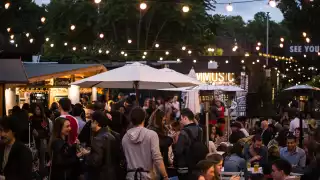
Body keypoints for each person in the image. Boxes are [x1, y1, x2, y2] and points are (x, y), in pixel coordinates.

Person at [122, 107, 168, 180]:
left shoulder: (125, 137)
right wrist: (165, 176)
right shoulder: (151, 135)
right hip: (148, 176)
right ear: (144, 118)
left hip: (131, 176)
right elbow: (157, 157)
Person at [174, 108, 208, 179]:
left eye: (181, 119)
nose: (180, 121)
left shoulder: (183, 132)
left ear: (185, 118)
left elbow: (178, 151)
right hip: (198, 164)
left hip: (184, 167)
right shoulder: (200, 130)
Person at [84, 111, 120, 180]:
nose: (90, 124)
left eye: (92, 121)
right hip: (112, 174)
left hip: (100, 175)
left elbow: (95, 161)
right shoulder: (114, 135)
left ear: (96, 122)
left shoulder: (98, 139)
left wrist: (87, 155)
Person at [0, 116, 33, 180]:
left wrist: (4, 178)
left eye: (6, 131)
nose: (2, 134)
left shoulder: (23, 151)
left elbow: (25, 177)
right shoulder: (1, 147)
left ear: (14, 132)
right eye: (1, 130)